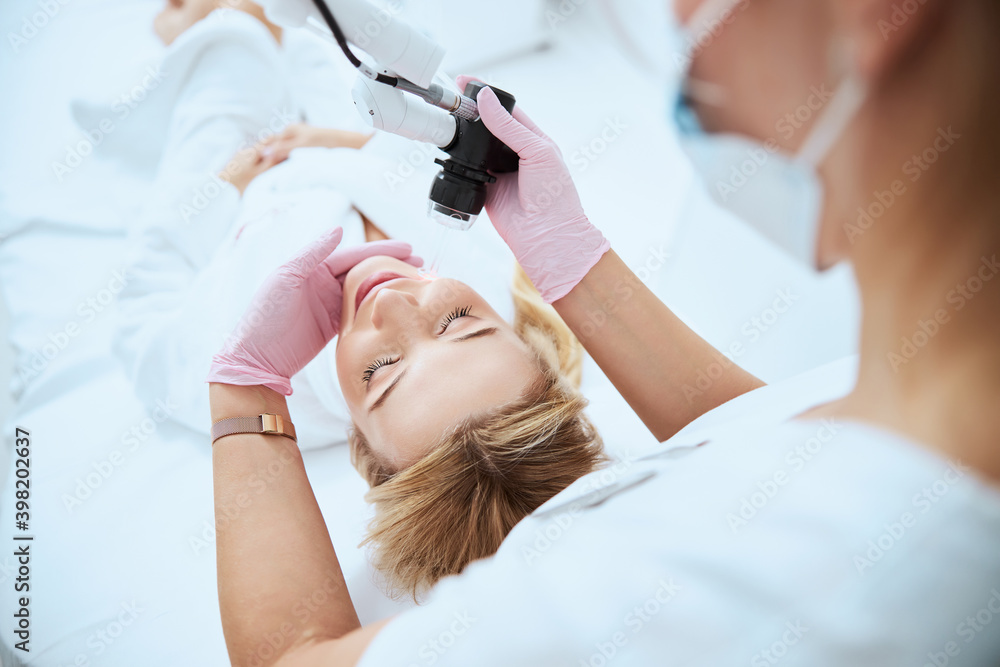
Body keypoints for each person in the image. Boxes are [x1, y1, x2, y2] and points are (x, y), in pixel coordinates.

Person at [206, 0, 1000, 665]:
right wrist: (573, 262)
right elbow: (755, 444)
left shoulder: (641, 604)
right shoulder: (911, 410)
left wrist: (244, 391)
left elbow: (292, 657)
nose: (675, 21)